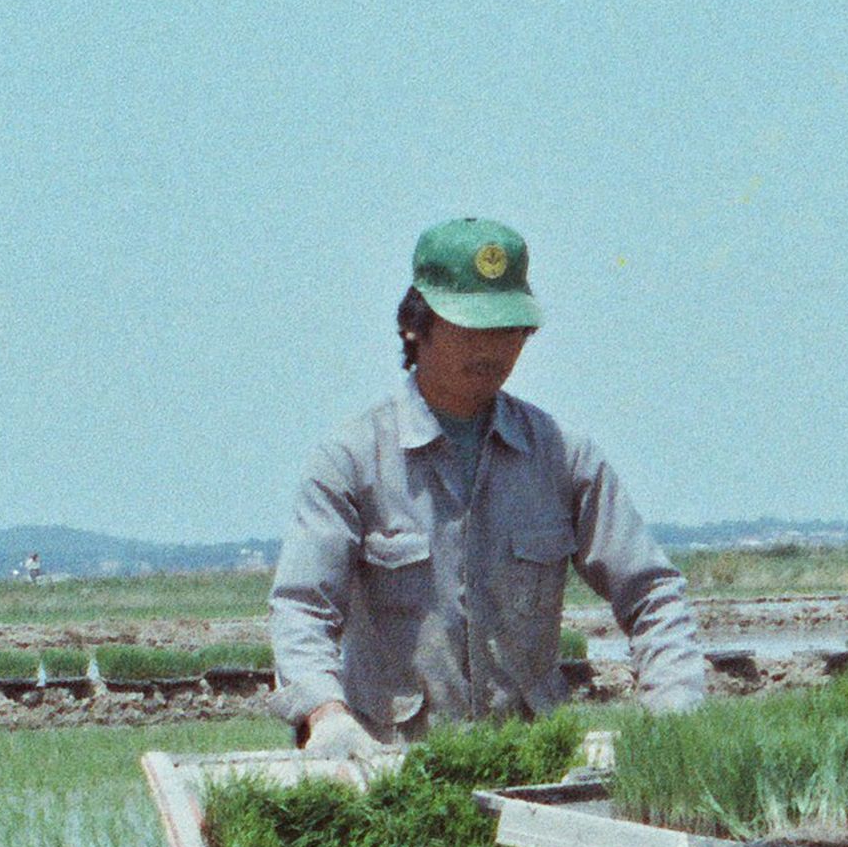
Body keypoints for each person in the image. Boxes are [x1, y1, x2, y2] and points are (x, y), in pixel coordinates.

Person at [271, 220, 704, 757]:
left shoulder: (562, 456)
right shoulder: (351, 460)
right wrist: (325, 713)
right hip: (395, 764)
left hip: (530, 764)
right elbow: (302, 610)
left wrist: (675, 714)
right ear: (416, 325)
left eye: (508, 329)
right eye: (470, 328)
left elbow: (651, 592)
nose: (492, 349)